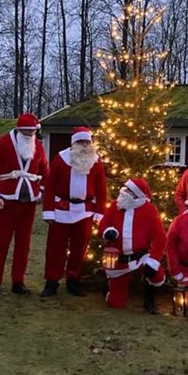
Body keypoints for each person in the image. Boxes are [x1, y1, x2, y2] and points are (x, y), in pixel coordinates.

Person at [0, 113, 49, 296]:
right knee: (1, 242)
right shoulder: (2, 144)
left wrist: (41, 190)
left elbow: (45, 170)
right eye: (27, 131)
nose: (30, 134)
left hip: (28, 202)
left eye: (33, 131)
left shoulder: (38, 146)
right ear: (19, 129)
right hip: (7, 200)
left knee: (24, 244)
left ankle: (18, 281)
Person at [41, 127, 107, 297]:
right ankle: (52, 282)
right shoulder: (61, 159)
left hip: (84, 211)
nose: (84, 145)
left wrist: (99, 212)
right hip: (61, 209)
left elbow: (101, 189)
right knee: (55, 249)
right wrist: (48, 211)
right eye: (81, 142)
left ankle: (73, 280)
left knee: (79, 249)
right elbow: (50, 186)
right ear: (74, 143)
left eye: (87, 142)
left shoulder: (95, 161)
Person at [98, 178, 166, 313]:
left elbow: (160, 237)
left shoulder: (149, 210)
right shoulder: (114, 206)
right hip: (119, 260)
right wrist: (107, 231)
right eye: (125, 188)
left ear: (137, 195)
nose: (124, 192)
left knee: (157, 274)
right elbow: (102, 226)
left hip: (140, 257)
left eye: (129, 191)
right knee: (115, 303)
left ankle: (149, 299)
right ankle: (110, 285)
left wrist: (153, 260)